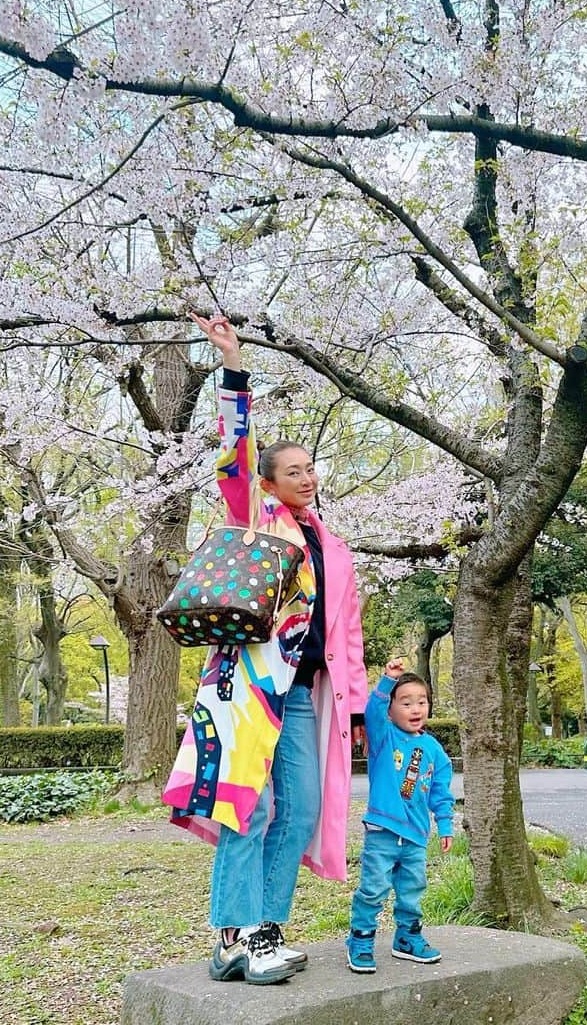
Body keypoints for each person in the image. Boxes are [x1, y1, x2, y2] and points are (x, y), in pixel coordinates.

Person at [162, 312, 368, 985]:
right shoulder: (255, 514)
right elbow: (234, 452)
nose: (307, 479)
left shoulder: (331, 545)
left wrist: (358, 704)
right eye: (294, 471)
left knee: (301, 809)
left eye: (312, 469)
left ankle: (264, 929)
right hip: (247, 687)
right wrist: (233, 366)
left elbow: (349, 633)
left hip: (305, 699)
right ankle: (233, 936)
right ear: (271, 482)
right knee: (243, 806)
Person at [345, 658, 454, 974]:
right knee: (374, 888)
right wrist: (386, 682)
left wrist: (444, 824)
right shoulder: (382, 739)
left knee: (412, 888)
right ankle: (360, 938)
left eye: (421, 702)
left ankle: (407, 938)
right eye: (405, 702)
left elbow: (441, 792)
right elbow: (371, 713)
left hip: (416, 836)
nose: (415, 708)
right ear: (391, 710)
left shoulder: (434, 749)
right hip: (382, 831)